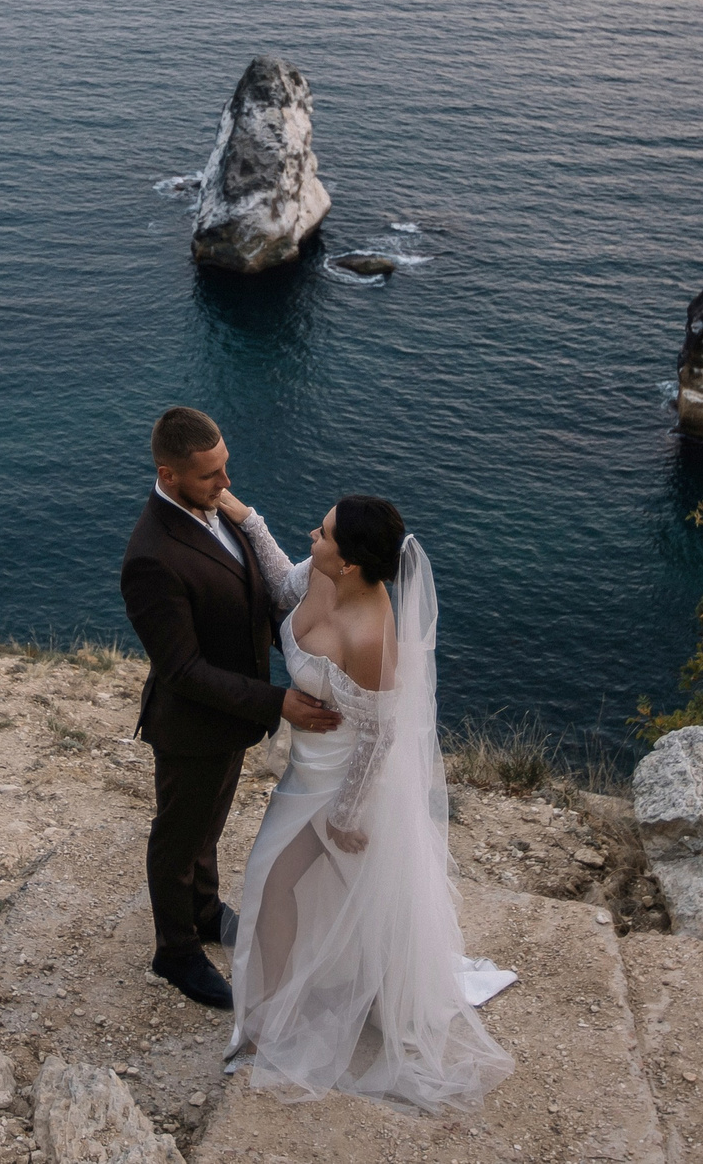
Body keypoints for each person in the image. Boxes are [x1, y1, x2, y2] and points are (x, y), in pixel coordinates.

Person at [211, 486, 515, 1113]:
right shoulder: (322, 576)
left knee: (275, 882)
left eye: (321, 535)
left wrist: (348, 814)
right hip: (303, 771)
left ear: (348, 561)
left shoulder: (372, 635)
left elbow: (381, 733)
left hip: (341, 786)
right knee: (315, 893)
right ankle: (278, 1012)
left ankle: (269, 1026)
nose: (312, 539)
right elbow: (281, 582)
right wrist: (245, 515)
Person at [120, 407, 342, 1009]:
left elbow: (254, 600)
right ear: (168, 475)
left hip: (229, 718)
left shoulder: (221, 513)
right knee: (178, 834)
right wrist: (279, 702)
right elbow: (182, 671)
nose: (225, 485)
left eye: (225, 470)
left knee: (208, 824)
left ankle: (206, 909)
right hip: (192, 724)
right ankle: (176, 951)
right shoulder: (151, 557)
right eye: (208, 477)